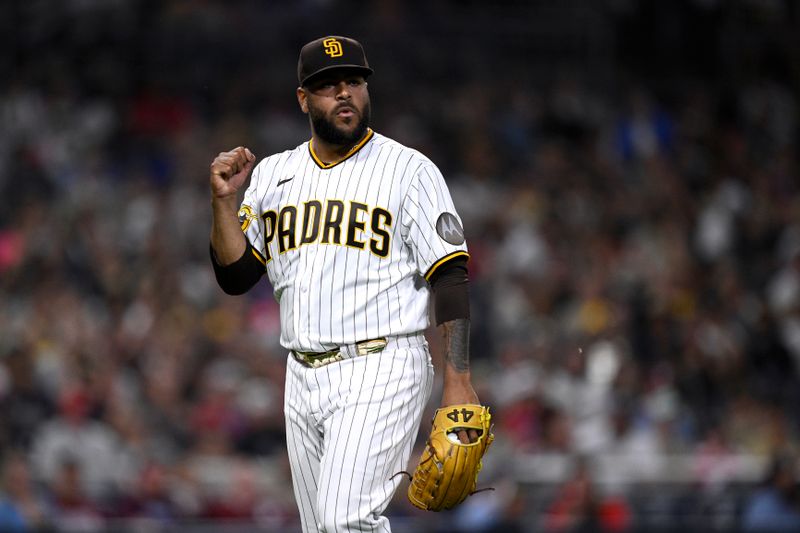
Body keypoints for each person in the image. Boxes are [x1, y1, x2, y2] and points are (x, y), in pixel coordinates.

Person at [208, 35, 482, 532]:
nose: (343, 93)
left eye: (353, 82)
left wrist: (458, 379)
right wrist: (224, 204)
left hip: (382, 364)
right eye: (328, 85)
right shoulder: (273, 174)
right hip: (302, 374)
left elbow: (450, 274)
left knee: (345, 521)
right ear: (303, 99)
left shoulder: (409, 170)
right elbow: (236, 275)